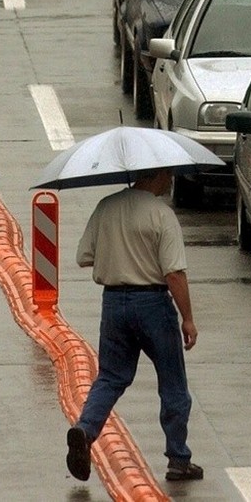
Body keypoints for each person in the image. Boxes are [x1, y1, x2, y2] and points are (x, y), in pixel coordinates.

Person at [65, 167, 204, 484]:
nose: (169, 181)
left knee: (111, 377)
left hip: (113, 303)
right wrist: (189, 319)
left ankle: (85, 430)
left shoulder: (106, 206)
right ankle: (178, 459)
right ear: (155, 175)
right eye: (167, 175)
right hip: (153, 304)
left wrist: (117, 250)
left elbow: (84, 256)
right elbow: (174, 274)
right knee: (172, 384)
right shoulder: (161, 214)